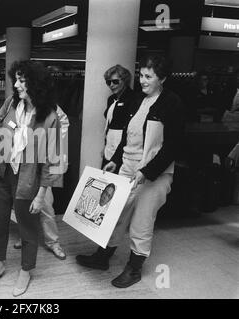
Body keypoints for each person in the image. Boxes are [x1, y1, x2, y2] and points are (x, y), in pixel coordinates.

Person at [76, 54, 185, 288]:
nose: (142, 80)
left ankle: (134, 269)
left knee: (141, 222)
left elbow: (173, 145)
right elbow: (127, 135)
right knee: (115, 214)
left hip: (153, 175)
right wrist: (115, 160)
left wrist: (147, 170)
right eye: (141, 75)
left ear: (162, 78)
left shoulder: (171, 102)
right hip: (127, 168)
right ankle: (102, 257)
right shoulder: (138, 100)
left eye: (149, 76)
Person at [0, 60, 63, 297]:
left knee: (27, 228)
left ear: (35, 84)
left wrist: (41, 195)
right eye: (15, 79)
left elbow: (52, 160)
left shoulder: (49, 116)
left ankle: (26, 270)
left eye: (21, 80)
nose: (16, 85)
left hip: (28, 179)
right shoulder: (11, 104)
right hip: (2, 172)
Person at [13, 105, 69, 261]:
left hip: (42, 163)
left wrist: (45, 144)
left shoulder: (51, 107)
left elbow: (62, 126)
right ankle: (25, 236)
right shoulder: (20, 106)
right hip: (22, 164)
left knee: (45, 205)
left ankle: (53, 242)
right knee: (22, 204)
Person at [103, 65, 136, 168]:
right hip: (109, 145)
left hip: (124, 147)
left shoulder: (134, 98)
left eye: (115, 81)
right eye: (108, 82)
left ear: (125, 80)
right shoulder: (111, 99)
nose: (111, 85)